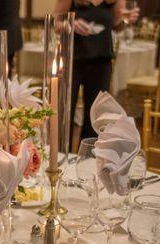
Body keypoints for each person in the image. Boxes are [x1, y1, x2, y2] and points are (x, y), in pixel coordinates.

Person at [55, 0, 138, 141]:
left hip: (101, 60)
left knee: (95, 118)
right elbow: (55, 24)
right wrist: (69, 24)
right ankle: (62, 159)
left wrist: (126, 21)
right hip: (71, 60)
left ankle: (88, 159)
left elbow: (116, 25)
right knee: (64, 115)